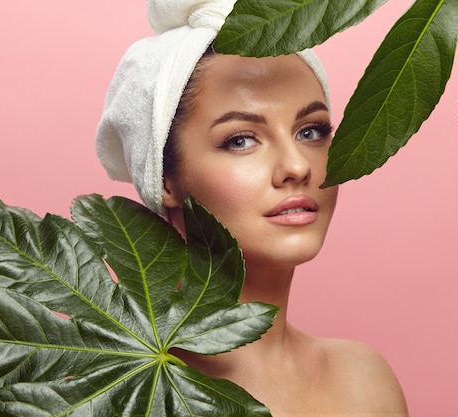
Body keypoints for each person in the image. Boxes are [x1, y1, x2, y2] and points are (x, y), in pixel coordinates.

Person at [96, 0, 409, 415]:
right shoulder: (112, 387)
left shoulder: (364, 380)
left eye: (311, 131)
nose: (297, 166)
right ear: (164, 178)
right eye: (240, 139)